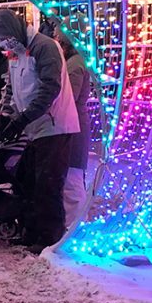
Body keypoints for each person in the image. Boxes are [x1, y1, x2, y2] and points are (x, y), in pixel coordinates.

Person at [0, 8, 79, 254]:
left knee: (47, 183)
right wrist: (5, 116)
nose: (1, 43)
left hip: (54, 126)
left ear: (14, 31)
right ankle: (30, 231)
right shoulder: (16, 52)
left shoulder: (44, 47)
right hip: (33, 128)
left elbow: (50, 88)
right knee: (25, 180)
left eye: (2, 38)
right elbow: (11, 87)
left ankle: (49, 238)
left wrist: (22, 119)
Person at [61, 38, 92, 230]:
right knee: (72, 177)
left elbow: (69, 97)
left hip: (74, 128)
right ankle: (73, 223)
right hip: (74, 126)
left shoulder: (75, 64)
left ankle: (74, 227)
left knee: (72, 180)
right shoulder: (77, 61)